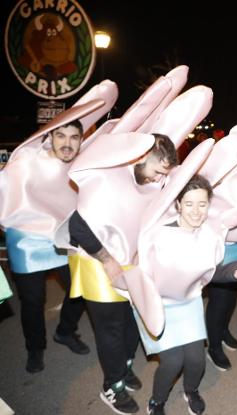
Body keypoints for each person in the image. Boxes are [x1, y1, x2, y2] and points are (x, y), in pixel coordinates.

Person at [0, 89, 116, 373]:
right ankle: (35, 348)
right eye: (60, 135)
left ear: (81, 140)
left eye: (74, 137)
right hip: (26, 240)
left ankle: (65, 331)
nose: (67, 143)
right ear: (49, 137)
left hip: (64, 238)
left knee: (79, 290)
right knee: (32, 301)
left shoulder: (80, 166)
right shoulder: (24, 164)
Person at [66, 133, 178, 414]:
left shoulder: (151, 184)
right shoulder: (108, 180)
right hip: (98, 265)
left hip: (129, 264)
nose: (157, 179)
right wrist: (106, 259)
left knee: (131, 326)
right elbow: (77, 227)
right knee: (111, 332)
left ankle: (124, 368)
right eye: (156, 171)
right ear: (141, 157)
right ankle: (111, 386)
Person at [134, 174, 237, 415]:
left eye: (202, 204)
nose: (196, 211)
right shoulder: (156, 235)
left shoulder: (210, 235)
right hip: (158, 304)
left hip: (188, 302)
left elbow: (210, 272)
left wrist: (231, 272)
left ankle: (191, 390)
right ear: (177, 205)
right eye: (189, 204)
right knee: (173, 361)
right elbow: (141, 276)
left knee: (196, 359)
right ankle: (157, 400)